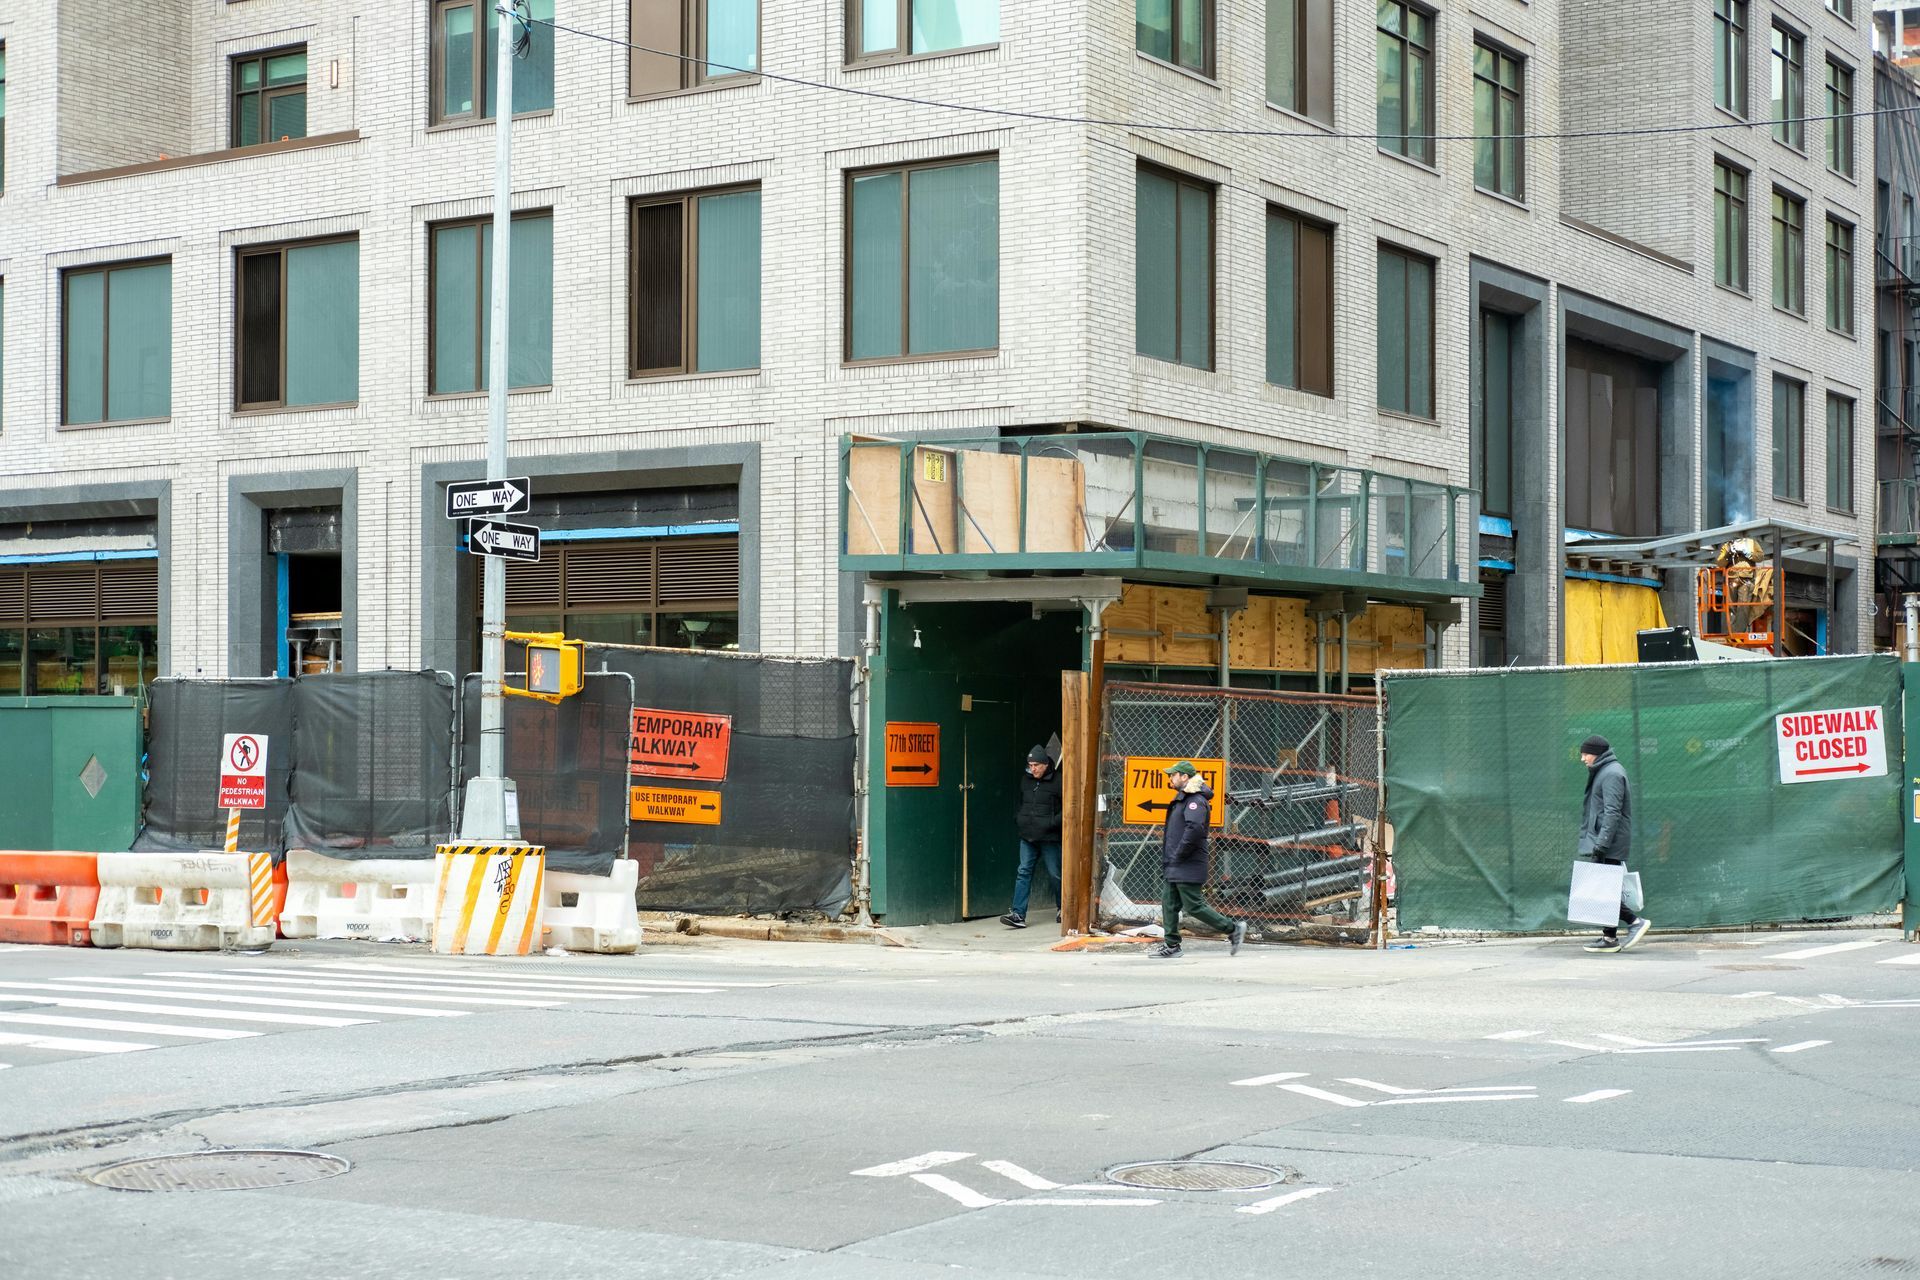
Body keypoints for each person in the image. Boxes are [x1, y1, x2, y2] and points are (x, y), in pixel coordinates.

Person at [1151, 761, 1246, 959]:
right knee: (1169, 903)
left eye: (1173, 775)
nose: (1170, 778)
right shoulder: (1185, 798)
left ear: (1184, 777)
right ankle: (1172, 945)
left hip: (1187, 862)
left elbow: (1194, 829)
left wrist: (1179, 854)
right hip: (1176, 863)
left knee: (1193, 905)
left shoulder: (1196, 800)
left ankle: (1233, 929)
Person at [1577, 735, 1650, 954]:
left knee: (1603, 891)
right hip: (1604, 841)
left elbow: (1612, 813)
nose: (1582, 758)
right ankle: (1609, 938)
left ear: (1596, 754)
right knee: (1605, 888)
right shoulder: (1605, 771)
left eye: (1585, 754)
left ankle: (1636, 922)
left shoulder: (1612, 773)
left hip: (1608, 843)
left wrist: (1601, 844)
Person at [1000, 746, 1062, 929]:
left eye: (1036, 765)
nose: (1032, 769)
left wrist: (1051, 823)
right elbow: (1021, 803)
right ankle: (1018, 914)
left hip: (1050, 837)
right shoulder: (1026, 780)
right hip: (1028, 836)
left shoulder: (1058, 781)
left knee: (1055, 874)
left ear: (1045, 765)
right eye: (1030, 765)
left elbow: (1068, 807)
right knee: (1023, 872)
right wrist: (1019, 819)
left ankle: (1063, 908)